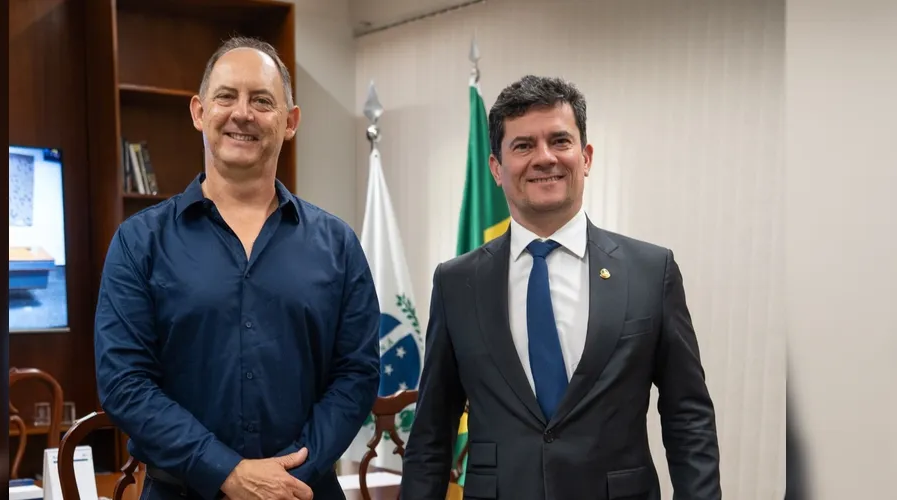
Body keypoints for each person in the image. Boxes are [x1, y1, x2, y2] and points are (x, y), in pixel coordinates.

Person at [401, 75, 721, 499]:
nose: (544, 158)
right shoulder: (457, 282)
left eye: (560, 141)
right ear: (496, 168)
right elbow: (432, 431)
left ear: (585, 157)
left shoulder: (650, 271)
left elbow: (688, 417)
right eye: (523, 146)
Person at [94, 37, 381, 500]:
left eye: (262, 101)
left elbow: (357, 374)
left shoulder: (338, 244)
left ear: (290, 122)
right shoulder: (138, 242)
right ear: (199, 112)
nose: (242, 113)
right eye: (226, 96)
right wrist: (226, 472)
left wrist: (286, 479)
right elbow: (124, 383)